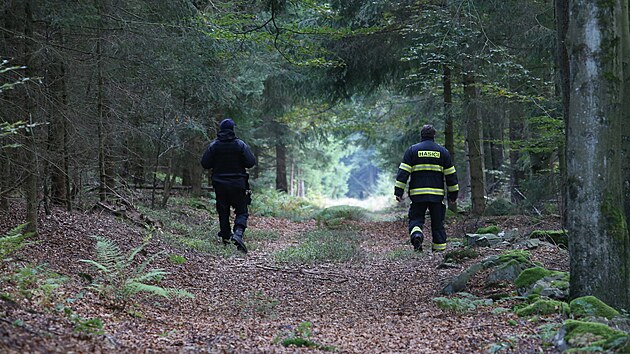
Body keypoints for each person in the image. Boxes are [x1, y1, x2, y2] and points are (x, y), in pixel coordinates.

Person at [394, 124, 459, 252]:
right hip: (436, 195)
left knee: (416, 219)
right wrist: (453, 195)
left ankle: (417, 235)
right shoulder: (443, 152)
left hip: (418, 195)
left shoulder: (412, 151)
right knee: (438, 223)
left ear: (421, 135)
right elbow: (451, 176)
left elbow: (403, 173)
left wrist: (398, 192)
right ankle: (439, 251)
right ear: (434, 135)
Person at [201, 118, 257, 253]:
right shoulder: (240, 145)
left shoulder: (214, 146)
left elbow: (205, 163)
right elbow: (250, 162)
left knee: (223, 211)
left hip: (220, 185)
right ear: (232, 129)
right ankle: (238, 233)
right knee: (242, 210)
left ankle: (226, 237)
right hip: (238, 184)